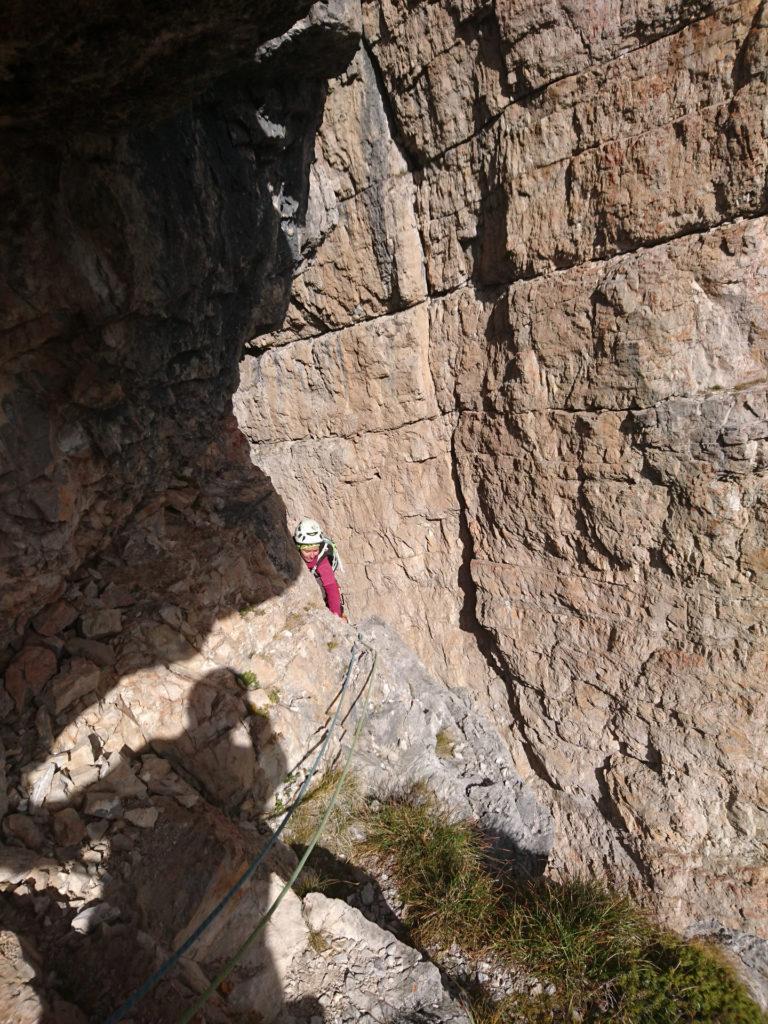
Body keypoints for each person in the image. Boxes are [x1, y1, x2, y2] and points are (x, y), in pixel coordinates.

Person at [293, 518, 346, 619]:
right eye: (307, 551)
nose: (312, 555)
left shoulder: (322, 562)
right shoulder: (291, 553)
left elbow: (332, 589)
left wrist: (336, 618)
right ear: (299, 547)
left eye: (315, 550)